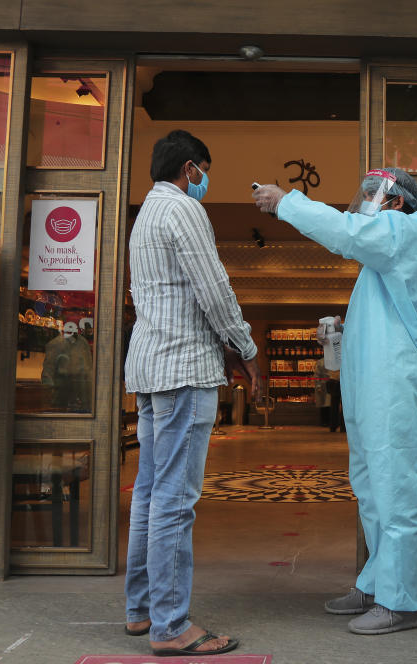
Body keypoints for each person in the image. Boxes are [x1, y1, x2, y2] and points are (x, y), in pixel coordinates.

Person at [254, 167, 417, 635]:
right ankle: (377, 584)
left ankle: (404, 601)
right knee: (372, 489)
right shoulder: (383, 253)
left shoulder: (400, 230)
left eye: (370, 194)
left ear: (396, 201)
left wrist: (287, 202)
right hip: (374, 388)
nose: (361, 202)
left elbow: (344, 232)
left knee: (395, 490)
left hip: (392, 389)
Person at [124, 129, 260, 656]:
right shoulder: (183, 210)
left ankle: (141, 612)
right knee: (176, 502)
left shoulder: (145, 217)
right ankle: (171, 627)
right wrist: (246, 347)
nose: (205, 181)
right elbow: (213, 287)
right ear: (190, 169)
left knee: (149, 495)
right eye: (204, 171)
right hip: (183, 369)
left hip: (151, 368)